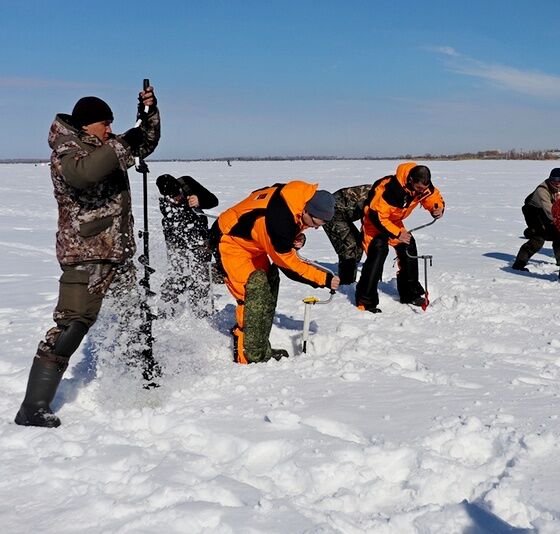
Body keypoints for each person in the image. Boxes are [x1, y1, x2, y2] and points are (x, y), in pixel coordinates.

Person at [15, 87, 161, 427]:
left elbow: (145, 143)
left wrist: (148, 114)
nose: (110, 129)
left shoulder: (104, 147)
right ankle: (33, 406)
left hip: (118, 252)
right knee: (72, 324)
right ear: (86, 125)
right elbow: (86, 174)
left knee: (133, 317)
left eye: (112, 124)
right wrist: (123, 142)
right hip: (86, 254)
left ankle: (138, 379)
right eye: (105, 124)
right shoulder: (67, 151)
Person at [211, 181, 340, 364]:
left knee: (269, 283)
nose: (316, 228)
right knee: (252, 292)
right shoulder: (279, 221)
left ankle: (261, 347)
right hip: (230, 241)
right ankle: (248, 354)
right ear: (306, 211)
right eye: (314, 223)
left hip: (254, 243)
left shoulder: (298, 198)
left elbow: (284, 225)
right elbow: (290, 267)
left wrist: (296, 235)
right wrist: (324, 279)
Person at [355, 163, 444, 312]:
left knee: (409, 245)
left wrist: (438, 208)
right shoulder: (388, 189)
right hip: (374, 222)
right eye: (418, 188)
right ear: (410, 180)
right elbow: (377, 217)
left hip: (394, 222)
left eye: (423, 189)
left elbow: (432, 196)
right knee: (379, 249)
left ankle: (410, 294)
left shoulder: (423, 185)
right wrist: (397, 234)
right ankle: (366, 301)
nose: (420, 192)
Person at [156, 174, 219, 317]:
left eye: (178, 194)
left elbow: (214, 201)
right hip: (176, 239)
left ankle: (201, 310)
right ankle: (166, 309)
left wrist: (199, 200)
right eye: (172, 197)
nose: (177, 198)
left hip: (199, 236)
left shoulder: (187, 183)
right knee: (177, 272)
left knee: (201, 273)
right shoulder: (165, 203)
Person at [512, 167, 560, 271]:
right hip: (533, 211)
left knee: (559, 234)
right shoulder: (542, 190)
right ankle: (519, 264)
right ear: (550, 179)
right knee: (538, 238)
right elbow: (550, 212)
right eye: (555, 181)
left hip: (549, 210)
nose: (558, 184)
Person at [322, 184, 372, 284]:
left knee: (358, 247)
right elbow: (370, 226)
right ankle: (345, 283)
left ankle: (349, 281)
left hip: (343, 214)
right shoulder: (382, 198)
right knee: (349, 246)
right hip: (332, 212)